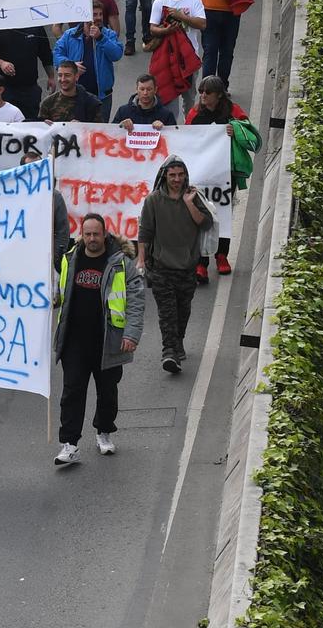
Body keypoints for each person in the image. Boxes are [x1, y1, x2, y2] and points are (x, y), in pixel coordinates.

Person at [52, 212, 145, 467]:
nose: (92, 239)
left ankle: (104, 432)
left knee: (107, 392)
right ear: (81, 236)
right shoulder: (70, 259)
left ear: (105, 234)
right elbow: (61, 292)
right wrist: (54, 298)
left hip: (108, 341)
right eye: (87, 234)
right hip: (74, 342)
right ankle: (69, 444)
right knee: (72, 392)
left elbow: (137, 301)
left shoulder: (121, 263)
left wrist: (131, 334)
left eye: (96, 234)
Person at [137, 155, 213, 373]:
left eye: (180, 175)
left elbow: (205, 223)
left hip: (187, 266)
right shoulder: (153, 201)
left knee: (183, 310)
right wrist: (141, 259)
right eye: (172, 175)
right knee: (167, 312)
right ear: (165, 176)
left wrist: (189, 203)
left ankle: (178, 341)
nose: (176, 179)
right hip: (160, 267)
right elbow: (145, 232)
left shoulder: (193, 197)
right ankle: (169, 351)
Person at [186, 74, 261, 277]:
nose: (202, 95)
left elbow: (252, 139)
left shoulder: (234, 111)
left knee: (223, 213)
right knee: (202, 216)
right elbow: (185, 138)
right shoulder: (195, 113)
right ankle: (201, 262)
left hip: (227, 174)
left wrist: (236, 130)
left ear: (219, 95)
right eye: (201, 91)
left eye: (207, 92)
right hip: (201, 174)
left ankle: (221, 256)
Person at [52, 17, 124, 122]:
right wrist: (71, 66)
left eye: (100, 14)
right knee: (77, 131)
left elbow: (116, 55)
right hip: (74, 96)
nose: (98, 17)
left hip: (102, 96)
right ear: (86, 17)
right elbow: (57, 54)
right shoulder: (70, 35)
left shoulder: (109, 34)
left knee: (100, 131)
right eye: (94, 14)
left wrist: (100, 38)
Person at [40, 56, 101, 123]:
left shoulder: (91, 102)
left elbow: (99, 129)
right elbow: (38, 130)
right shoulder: (48, 103)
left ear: (76, 77)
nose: (63, 79)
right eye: (60, 75)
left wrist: (82, 126)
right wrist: (44, 125)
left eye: (67, 75)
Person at [113, 73, 178, 129]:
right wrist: (120, 126)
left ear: (155, 90)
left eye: (149, 89)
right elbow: (111, 133)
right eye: (142, 89)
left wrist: (165, 129)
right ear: (136, 89)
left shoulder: (166, 114)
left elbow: (174, 137)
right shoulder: (123, 111)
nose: (145, 93)